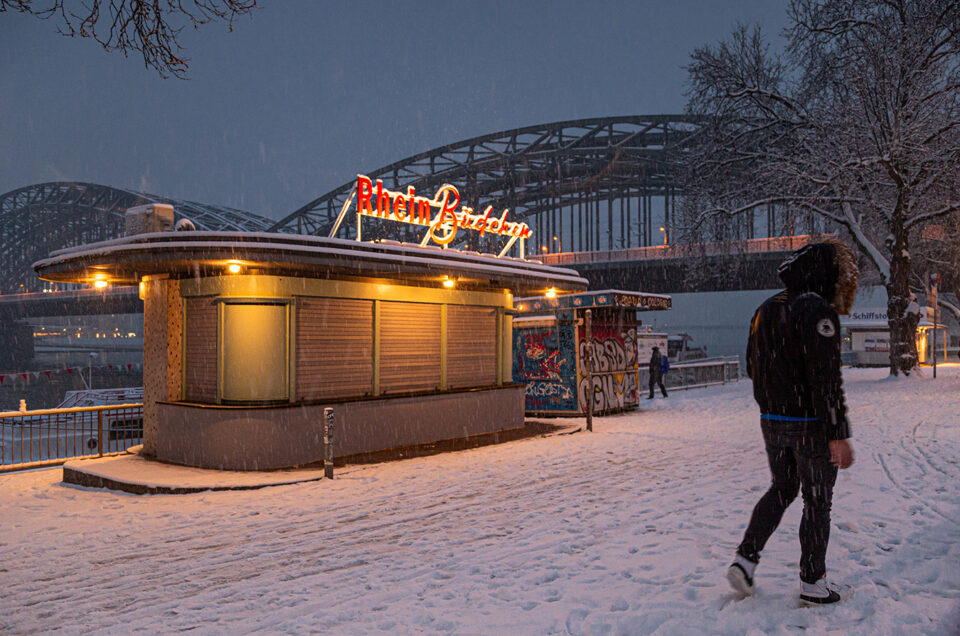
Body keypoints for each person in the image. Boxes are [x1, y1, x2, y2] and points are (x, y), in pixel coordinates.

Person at [727, 239, 858, 606]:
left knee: (782, 488)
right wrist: (837, 433)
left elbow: (753, 366)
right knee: (818, 501)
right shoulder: (816, 310)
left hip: (772, 421)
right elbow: (825, 377)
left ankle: (745, 559)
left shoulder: (766, 308)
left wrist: (772, 405)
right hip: (810, 423)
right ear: (829, 275)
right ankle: (813, 581)